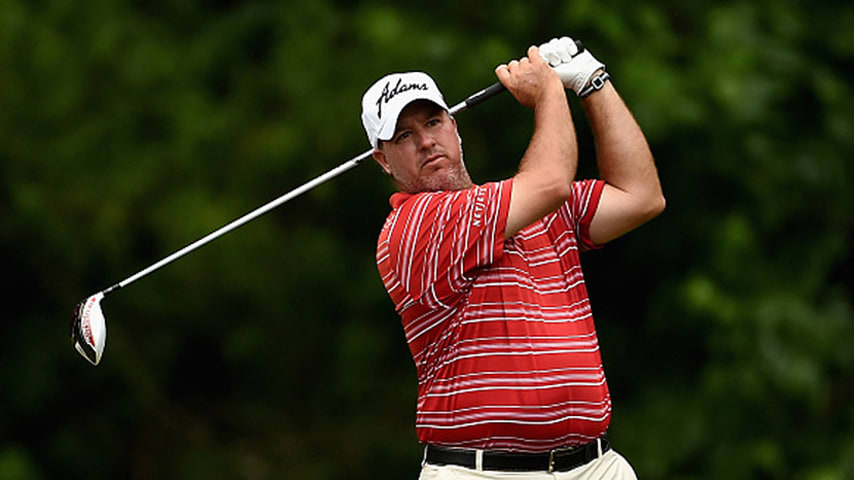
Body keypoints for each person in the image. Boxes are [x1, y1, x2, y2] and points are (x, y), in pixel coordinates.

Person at [360, 36, 665, 479]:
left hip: (595, 466)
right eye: (404, 136)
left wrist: (594, 82)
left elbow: (642, 197)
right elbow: (552, 182)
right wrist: (549, 91)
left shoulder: (529, 208)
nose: (426, 142)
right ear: (382, 161)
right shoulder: (413, 226)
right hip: (482, 472)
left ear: (455, 126)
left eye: (433, 122)